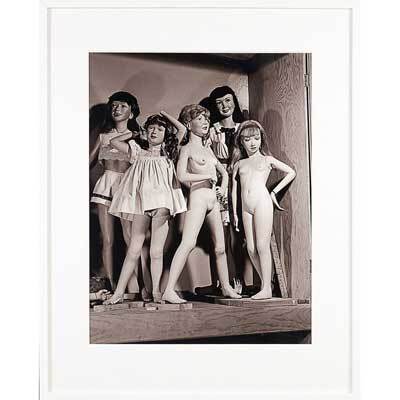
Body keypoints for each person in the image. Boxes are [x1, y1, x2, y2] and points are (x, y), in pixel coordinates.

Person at [103, 112, 187, 305]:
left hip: (162, 205)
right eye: (151, 128)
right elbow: (114, 141)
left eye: (159, 129)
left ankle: (156, 291)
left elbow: (182, 129)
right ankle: (118, 293)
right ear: (145, 131)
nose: (154, 132)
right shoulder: (137, 151)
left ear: (166, 133)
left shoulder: (168, 152)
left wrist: (164, 115)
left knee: (156, 252)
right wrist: (133, 133)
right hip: (142, 205)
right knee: (133, 250)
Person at [162, 104, 242, 304]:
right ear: (189, 125)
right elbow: (181, 176)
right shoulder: (186, 149)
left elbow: (224, 173)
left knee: (220, 248)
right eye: (199, 119)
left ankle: (226, 287)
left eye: (206, 119)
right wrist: (205, 176)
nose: (205, 122)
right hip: (197, 197)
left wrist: (223, 188)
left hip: (213, 199)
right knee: (188, 242)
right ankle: (169, 291)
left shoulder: (208, 150)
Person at [230, 120, 296, 299]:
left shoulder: (267, 160)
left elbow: (291, 172)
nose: (252, 143)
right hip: (245, 207)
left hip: (262, 202)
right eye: (247, 139)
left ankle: (266, 287)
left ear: (261, 139)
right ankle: (267, 284)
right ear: (241, 142)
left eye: (256, 138)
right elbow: (234, 190)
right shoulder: (239, 164)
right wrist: (235, 213)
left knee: (261, 245)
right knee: (251, 248)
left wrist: (274, 192)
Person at [89, 91, 141, 291]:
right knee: (107, 239)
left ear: (132, 113)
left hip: (127, 188)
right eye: (114, 106)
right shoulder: (104, 137)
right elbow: (88, 162)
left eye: (123, 106)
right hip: (105, 187)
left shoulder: (137, 137)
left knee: (130, 238)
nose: (117, 109)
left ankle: (139, 287)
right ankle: (110, 287)